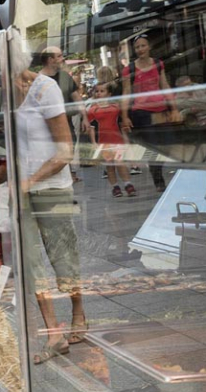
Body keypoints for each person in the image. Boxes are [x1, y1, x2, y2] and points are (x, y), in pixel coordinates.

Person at [14, 39, 86, 364]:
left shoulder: (46, 89)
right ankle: (54, 334)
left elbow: (65, 151)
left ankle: (78, 312)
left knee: (62, 255)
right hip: (23, 191)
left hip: (52, 186)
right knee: (31, 261)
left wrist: (29, 182)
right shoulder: (6, 96)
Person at [120, 34, 179, 192]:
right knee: (153, 146)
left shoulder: (158, 64)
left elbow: (164, 85)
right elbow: (126, 93)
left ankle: (160, 171)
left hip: (161, 109)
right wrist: (125, 117)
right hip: (142, 113)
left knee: (168, 143)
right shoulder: (129, 69)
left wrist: (173, 108)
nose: (140, 49)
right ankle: (158, 180)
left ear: (149, 46)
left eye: (143, 46)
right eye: (137, 47)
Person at [40, 46, 88, 184]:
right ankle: (62, 178)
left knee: (68, 150)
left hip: (66, 121)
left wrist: (84, 117)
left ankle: (66, 175)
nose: (62, 59)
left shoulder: (65, 77)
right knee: (56, 151)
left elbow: (77, 97)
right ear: (50, 59)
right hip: (48, 125)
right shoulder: (39, 79)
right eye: (59, 56)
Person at [87, 82, 133, 197]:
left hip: (117, 140)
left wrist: (126, 140)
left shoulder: (115, 108)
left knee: (120, 163)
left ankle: (128, 184)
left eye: (102, 91)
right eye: (97, 91)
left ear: (109, 94)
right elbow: (92, 128)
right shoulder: (93, 110)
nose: (99, 93)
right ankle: (115, 187)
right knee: (110, 166)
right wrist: (93, 142)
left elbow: (122, 124)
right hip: (103, 142)